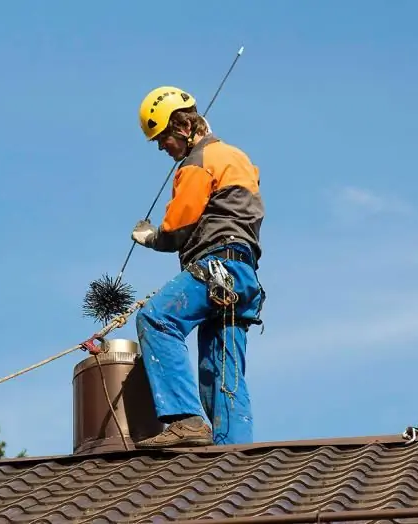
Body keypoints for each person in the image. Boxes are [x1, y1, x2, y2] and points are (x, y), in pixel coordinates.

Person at [130, 86, 266, 448]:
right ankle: (234, 457)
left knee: (156, 318)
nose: (162, 148)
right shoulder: (236, 157)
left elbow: (178, 227)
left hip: (216, 265)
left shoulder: (197, 163)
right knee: (223, 371)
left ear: (182, 127)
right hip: (243, 277)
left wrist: (151, 236)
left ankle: (184, 419)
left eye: (162, 138)